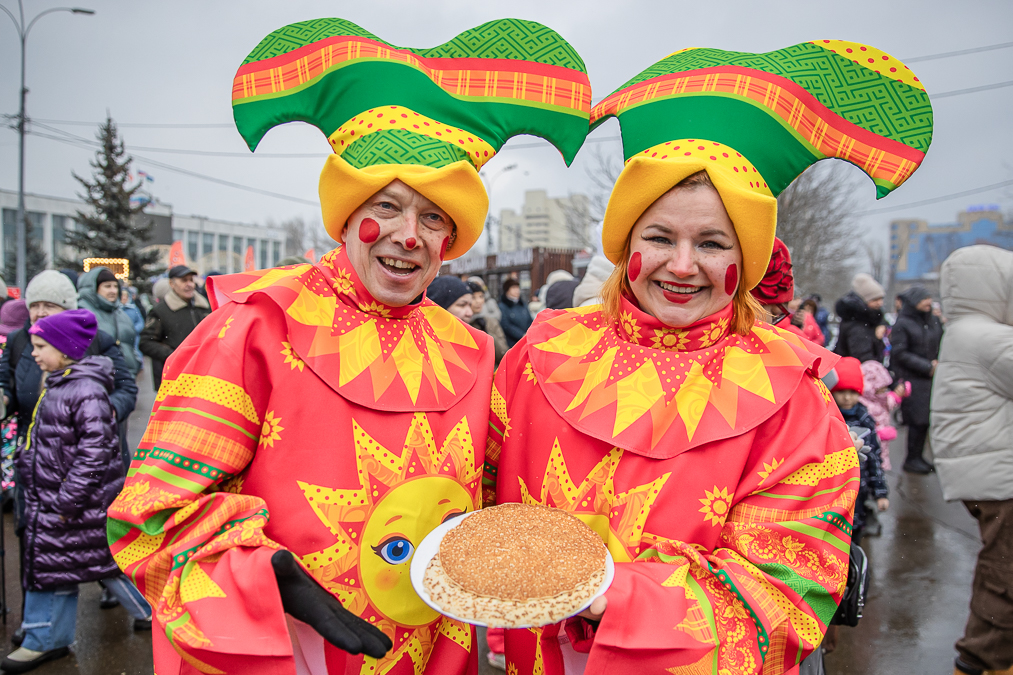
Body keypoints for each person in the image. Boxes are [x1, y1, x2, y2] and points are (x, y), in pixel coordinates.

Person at [108, 16, 591, 674]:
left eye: (432, 217)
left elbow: (504, 506)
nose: (408, 235)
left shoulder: (473, 353)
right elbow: (152, 515)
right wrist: (262, 574)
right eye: (386, 206)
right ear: (346, 214)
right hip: (290, 654)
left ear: (449, 239)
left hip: (433, 657)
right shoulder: (256, 328)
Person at [485, 38, 932, 673]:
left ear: (745, 260)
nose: (682, 265)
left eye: (713, 243)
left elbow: (789, 590)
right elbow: (466, 500)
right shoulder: (539, 357)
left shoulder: (794, 400)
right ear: (626, 246)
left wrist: (616, 597)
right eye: (659, 236)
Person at [1, 310, 151, 673]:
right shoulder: (63, 384)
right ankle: (145, 611)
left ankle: (43, 639)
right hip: (59, 499)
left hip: (70, 503)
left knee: (65, 567)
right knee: (84, 565)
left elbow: (97, 452)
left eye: (40, 346)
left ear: (65, 350)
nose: (33, 353)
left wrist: (68, 498)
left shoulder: (83, 391)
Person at [928, 245, 1013, 675]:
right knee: (1005, 575)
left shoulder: (965, 331)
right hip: (999, 476)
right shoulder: (988, 337)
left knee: (1002, 567)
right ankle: (981, 661)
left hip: (985, 470)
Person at [830, 357, 889, 544]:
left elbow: (874, 458)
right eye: (841, 392)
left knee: (854, 534)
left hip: (858, 492)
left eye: (852, 392)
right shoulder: (829, 419)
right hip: (833, 492)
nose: (847, 398)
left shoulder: (866, 420)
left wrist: (880, 492)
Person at [891, 284, 943, 474]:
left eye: (929, 298)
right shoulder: (903, 324)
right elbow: (900, 353)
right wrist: (927, 366)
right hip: (913, 378)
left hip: (932, 378)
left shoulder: (933, 321)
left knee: (926, 420)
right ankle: (911, 459)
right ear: (914, 302)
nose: (928, 302)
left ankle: (919, 457)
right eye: (924, 299)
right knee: (916, 420)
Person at [139, 265, 211, 391]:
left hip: (204, 376)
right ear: (172, 284)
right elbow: (146, 342)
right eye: (184, 280)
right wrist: (174, 355)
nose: (189, 284)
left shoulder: (204, 307)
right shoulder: (161, 311)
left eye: (191, 280)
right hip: (175, 378)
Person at [77, 266, 141, 376]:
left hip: (126, 377)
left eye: (115, 286)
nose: (113, 291)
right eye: (107, 286)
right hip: (97, 378)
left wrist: (135, 362)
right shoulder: (83, 313)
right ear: (93, 288)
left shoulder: (121, 314)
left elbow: (130, 345)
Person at [858, 360, 907, 472]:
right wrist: (880, 433)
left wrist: (898, 396)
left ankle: (880, 471)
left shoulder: (881, 399)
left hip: (883, 446)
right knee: (873, 463)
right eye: (881, 390)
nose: (884, 393)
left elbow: (889, 401)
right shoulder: (866, 406)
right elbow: (866, 428)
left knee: (881, 459)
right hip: (872, 445)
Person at [834, 273, 887, 363]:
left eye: (881, 299)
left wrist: (882, 325)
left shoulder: (866, 318)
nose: (880, 303)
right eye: (875, 300)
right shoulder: (857, 325)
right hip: (856, 369)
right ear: (864, 301)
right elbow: (863, 358)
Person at [465, 279, 508, 364]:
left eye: (481, 296)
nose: (479, 301)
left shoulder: (491, 322)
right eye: (473, 297)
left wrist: (487, 334)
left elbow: (503, 352)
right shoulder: (462, 323)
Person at [498, 278, 531, 347]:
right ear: (507, 290)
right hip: (512, 343)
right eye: (513, 288)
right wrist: (521, 335)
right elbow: (506, 325)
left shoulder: (522, 304)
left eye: (517, 288)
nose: (517, 290)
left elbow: (529, 320)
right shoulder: (502, 306)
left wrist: (529, 333)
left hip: (527, 340)